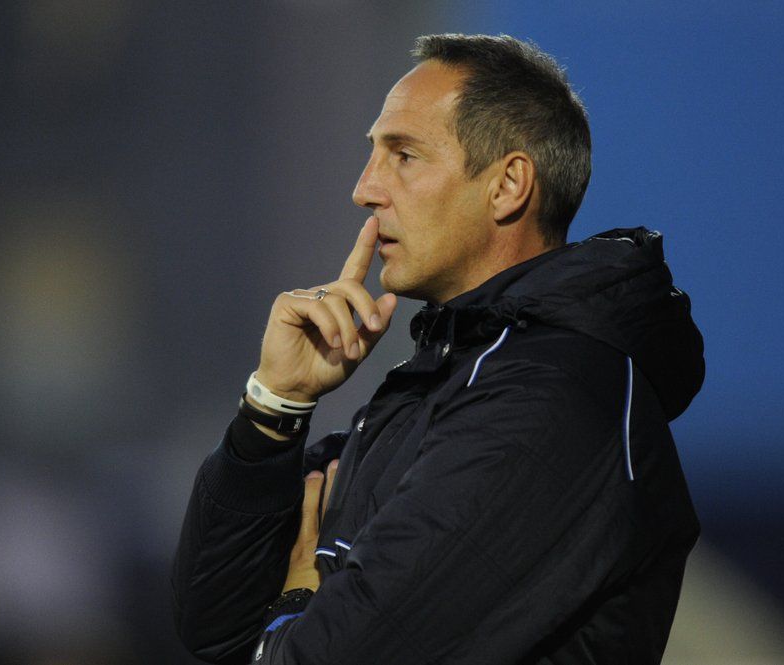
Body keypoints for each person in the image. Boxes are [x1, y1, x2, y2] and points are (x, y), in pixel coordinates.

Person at [172, 33, 704, 664]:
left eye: (404, 155)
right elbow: (213, 627)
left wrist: (296, 602)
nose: (365, 189)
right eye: (373, 153)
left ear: (508, 185)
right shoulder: (447, 380)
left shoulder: (549, 398)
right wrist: (275, 407)